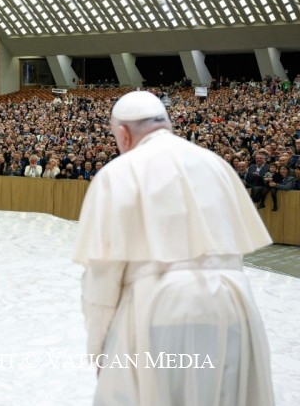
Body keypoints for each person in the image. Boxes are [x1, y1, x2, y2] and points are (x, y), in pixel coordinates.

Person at [73, 91, 274, 406]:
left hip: (160, 307)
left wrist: (99, 348)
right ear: (167, 124)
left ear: (123, 134)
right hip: (234, 304)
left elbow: (103, 275)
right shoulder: (216, 163)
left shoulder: (118, 172)